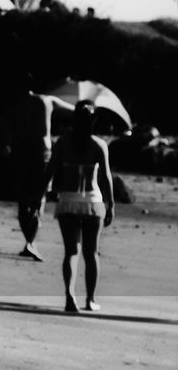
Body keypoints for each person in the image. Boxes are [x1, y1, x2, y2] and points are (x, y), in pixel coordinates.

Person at [42, 100, 114, 313]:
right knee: (92, 253)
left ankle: (69, 296)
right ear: (94, 121)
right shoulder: (99, 145)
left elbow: (50, 171)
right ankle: (90, 299)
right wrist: (111, 205)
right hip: (92, 202)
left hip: (68, 202)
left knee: (71, 251)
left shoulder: (64, 142)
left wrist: (39, 196)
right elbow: (106, 178)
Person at [10, 83, 54, 261]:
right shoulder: (46, 100)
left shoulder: (15, 104)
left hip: (20, 153)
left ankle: (29, 241)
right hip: (41, 153)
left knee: (22, 201)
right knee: (39, 199)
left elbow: (8, 130)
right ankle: (31, 242)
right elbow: (73, 109)